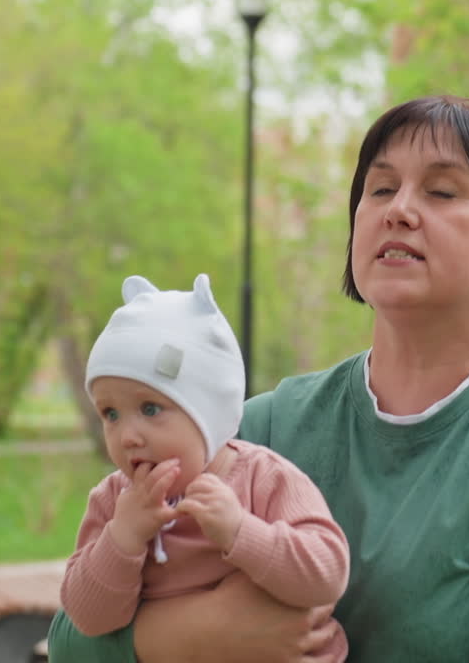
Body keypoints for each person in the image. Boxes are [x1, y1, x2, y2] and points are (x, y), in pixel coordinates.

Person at [48, 95, 469, 663]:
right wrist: (199, 637)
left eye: (441, 191)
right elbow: (71, 641)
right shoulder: (266, 424)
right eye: (380, 188)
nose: (398, 209)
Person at [56, 273, 350, 661]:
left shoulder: (264, 477)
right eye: (111, 413)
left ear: (207, 414)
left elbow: (327, 576)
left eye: (149, 408)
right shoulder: (113, 502)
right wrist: (123, 537)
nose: (127, 435)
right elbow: (87, 619)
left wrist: (240, 531)